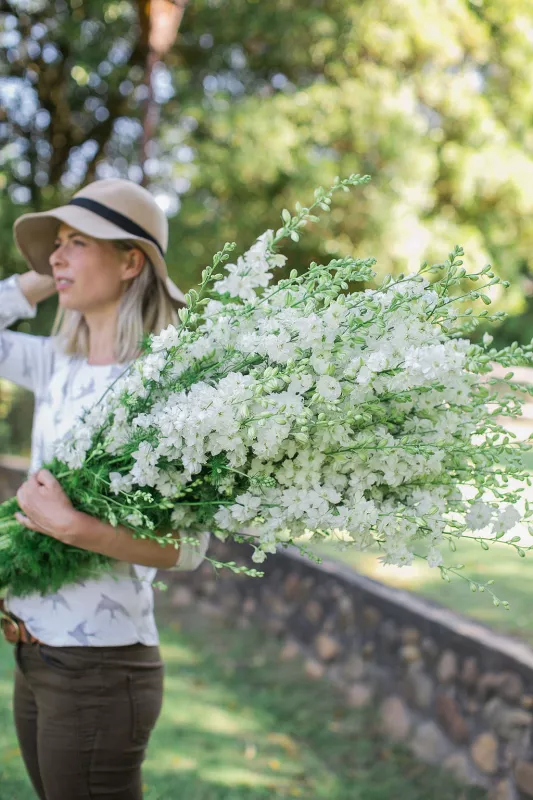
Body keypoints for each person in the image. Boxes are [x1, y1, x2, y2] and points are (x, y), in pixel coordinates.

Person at [0, 178, 210, 800]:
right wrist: (50, 273)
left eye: (77, 243)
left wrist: (72, 527)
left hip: (98, 667)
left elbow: (189, 547)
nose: (57, 256)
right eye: (54, 244)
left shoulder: (165, 385)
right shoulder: (55, 365)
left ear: (130, 261)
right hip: (35, 650)